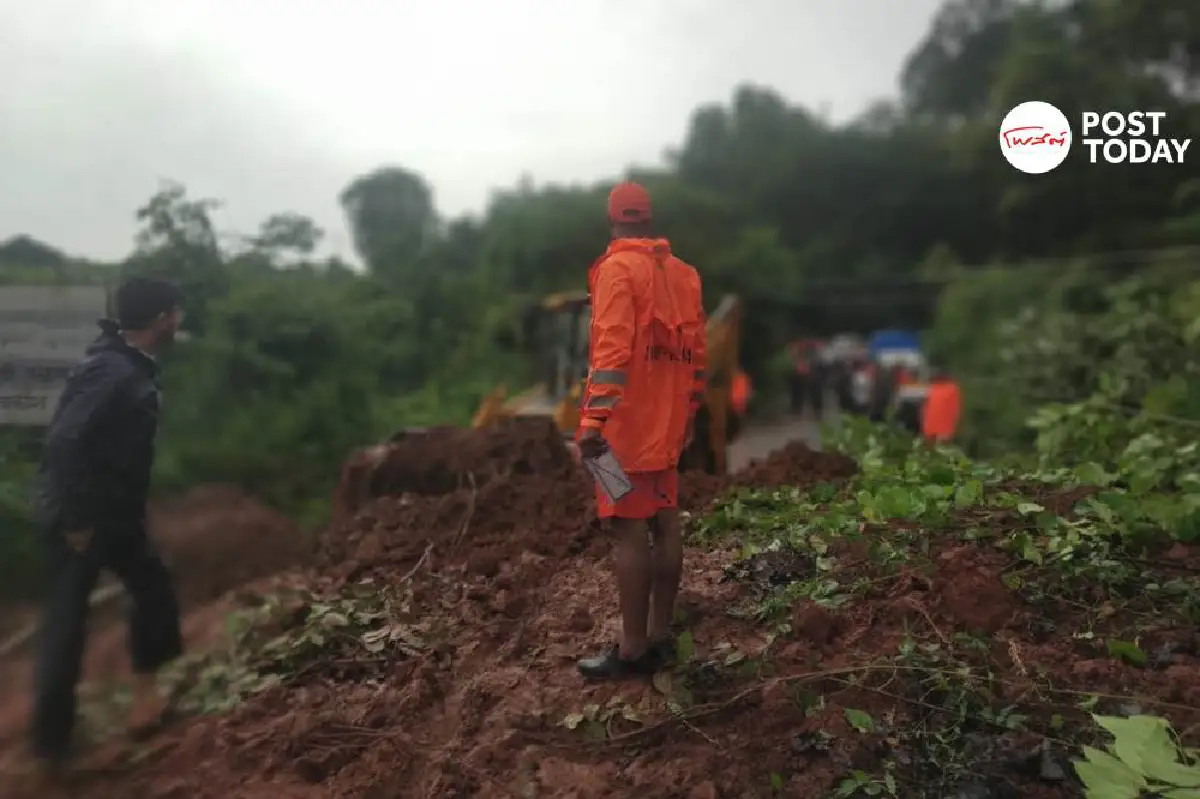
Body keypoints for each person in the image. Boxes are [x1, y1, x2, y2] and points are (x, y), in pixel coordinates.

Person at [26, 277, 185, 779]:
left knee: (153, 586)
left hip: (113, 515)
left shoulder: (127, 364)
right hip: (80, 520)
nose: (179, 321)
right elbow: (66, 442)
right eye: (176, 313)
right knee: (67, 626)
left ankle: (144, 696)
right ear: (163, 319)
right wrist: (75, 522)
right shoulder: (110, 371)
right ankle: (50, 750)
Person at [576, 181, 707, 680]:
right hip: (668, 427)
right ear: (648, 218)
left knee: (627, 529)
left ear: (612, 219)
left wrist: (593, 423)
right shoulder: (684, 275)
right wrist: (689, 412)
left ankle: (632, 648)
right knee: (665, 523)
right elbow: (697, 352)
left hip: (620, 436)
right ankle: (659, 634)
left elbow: (611, 351)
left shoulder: (616, 270)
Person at [921, 368, 962, 444]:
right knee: (943, 450)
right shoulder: (952, 389)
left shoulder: (932, 389)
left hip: (929, 428)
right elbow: (955, 410)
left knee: (931, 450)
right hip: (944, 429)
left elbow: (925, 409)